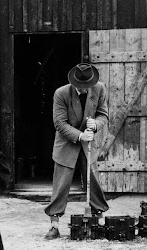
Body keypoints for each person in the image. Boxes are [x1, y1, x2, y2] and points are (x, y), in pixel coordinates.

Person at [44, 62, 110, 239]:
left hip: (88, 145)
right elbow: (59, 123)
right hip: (67, 144)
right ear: (73, 83)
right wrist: (80, 136)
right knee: (61, 185)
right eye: (79, 87)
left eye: (86, 87)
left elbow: (103, 114)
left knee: (93, 181)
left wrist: (96, 124)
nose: (83, 90)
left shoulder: (99, 89)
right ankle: (54, 224)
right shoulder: (61, 93)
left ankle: (99, 217)